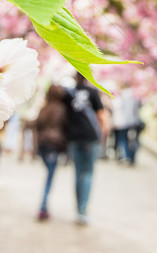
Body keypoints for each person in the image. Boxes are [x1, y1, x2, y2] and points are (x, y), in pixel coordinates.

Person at [64, 74, 106, 225]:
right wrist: (103, 135)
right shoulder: (93, 92)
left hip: (74, 137)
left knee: (77, 173)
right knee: (87, 173)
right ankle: (83, 210)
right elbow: (101, 116)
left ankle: (78, 210)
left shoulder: (68, 93)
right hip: (90, 137)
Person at [33, 85, 68, 221]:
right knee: (49, 177)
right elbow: (66, 128)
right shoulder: (62, 110)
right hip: (54, 145)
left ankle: (44, 206)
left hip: (43, 145)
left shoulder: (44, 109)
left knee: (49, 174)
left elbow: (37, 125)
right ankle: (42, 207)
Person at [111, 86, 143, 165]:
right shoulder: (135, 96)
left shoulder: (125, 96)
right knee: (132, 141)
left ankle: (126, 156)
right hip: (132, 122)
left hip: (125, 123)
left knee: (124, 140)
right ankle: (130, 158)